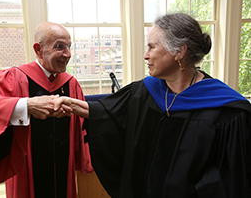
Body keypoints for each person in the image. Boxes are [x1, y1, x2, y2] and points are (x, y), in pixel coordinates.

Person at [52, 13, 251, 198]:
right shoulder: (145, 91)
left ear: (179, 51)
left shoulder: (226, 111)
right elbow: (110, 114)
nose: (146, 55)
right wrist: (73, 105)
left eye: (152, 47)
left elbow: (232, 179)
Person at [0, 22, 93, 198]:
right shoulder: (14, 78)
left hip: (64, 169)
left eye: (69, 46)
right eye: (59, 46)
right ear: (38, 50)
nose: (67, 54)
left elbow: (82, 128)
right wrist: (25, 106)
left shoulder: (71, 83)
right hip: (26, 171)